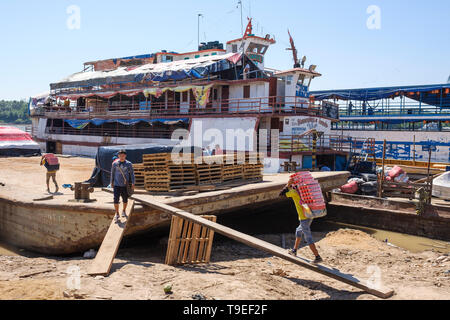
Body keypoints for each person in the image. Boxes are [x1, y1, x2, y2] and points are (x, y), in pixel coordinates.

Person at [280, 178, 323, 263]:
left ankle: (317, 257)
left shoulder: (294, 192)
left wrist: (288, 184)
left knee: (308, 237)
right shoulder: (305, 190)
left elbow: (281, 194)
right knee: (298, 231)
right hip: (310, 215)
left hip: (304, 218)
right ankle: (294, 250)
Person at [110, 149, 135, 222]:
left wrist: (133, 182)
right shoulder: (115, 164)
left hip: (125, 185)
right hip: (116, 184)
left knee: (125, 199)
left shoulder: (128, 164)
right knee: (115, 199)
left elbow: (132, 174)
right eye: (120, 155)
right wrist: (111, 182)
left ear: (125, 156)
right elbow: (112, 173)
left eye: (123, 155)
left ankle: (124, 210)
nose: (122, 157)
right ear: (118, 156)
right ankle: (117, 213)